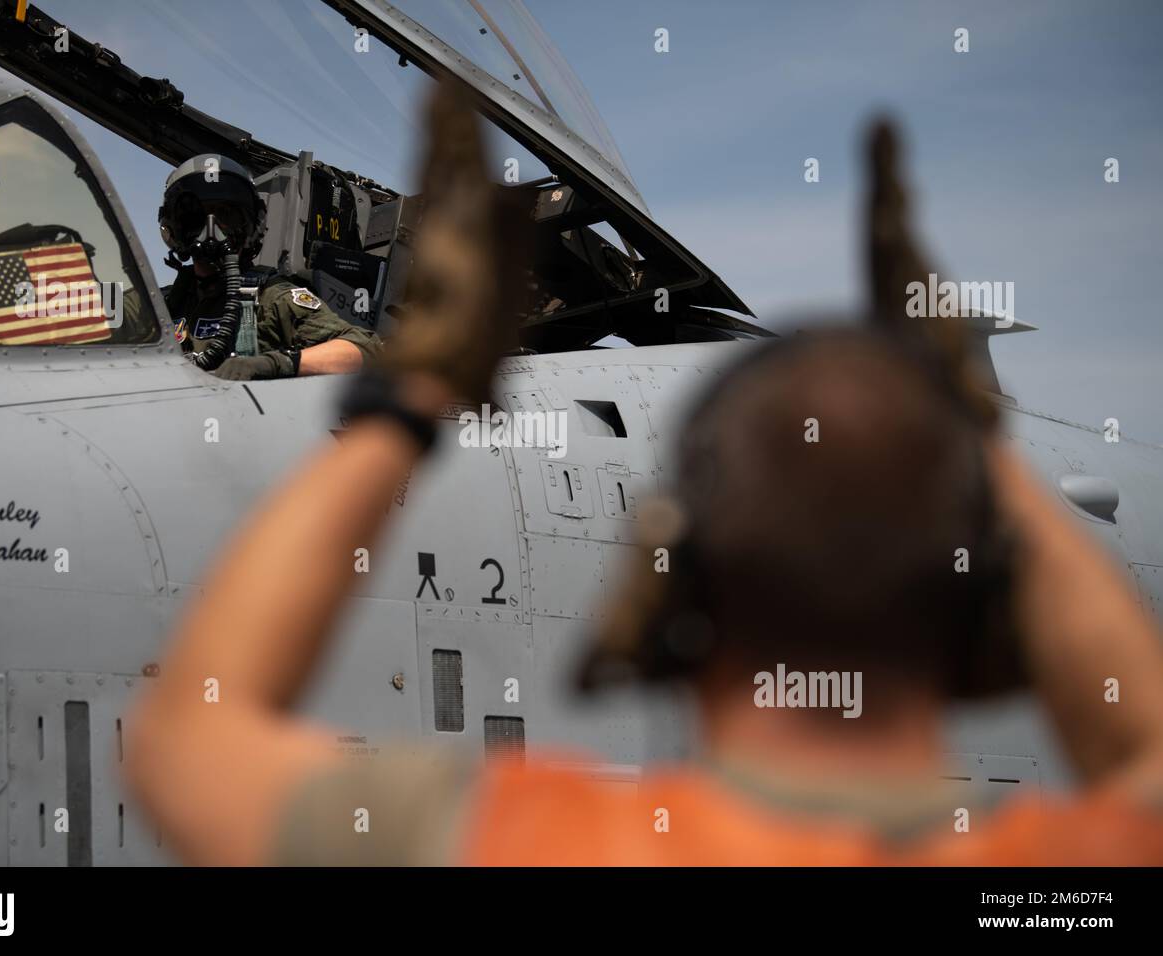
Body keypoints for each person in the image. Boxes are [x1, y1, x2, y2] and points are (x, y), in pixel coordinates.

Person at [123, 87, 1163, 866]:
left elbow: (190, 736)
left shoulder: (532, 841)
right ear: (973, 613)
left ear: (663, 592)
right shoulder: (1059, 872)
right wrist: (975, 442)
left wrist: (416, 396)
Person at [158, 153, 381, 380]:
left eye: (227, 215)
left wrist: (277, 363)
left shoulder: (272, 297)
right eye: (197, 218)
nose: (213, 228)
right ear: (173, 228)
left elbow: (365, 348)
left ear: (252, 225)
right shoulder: (157, 303)